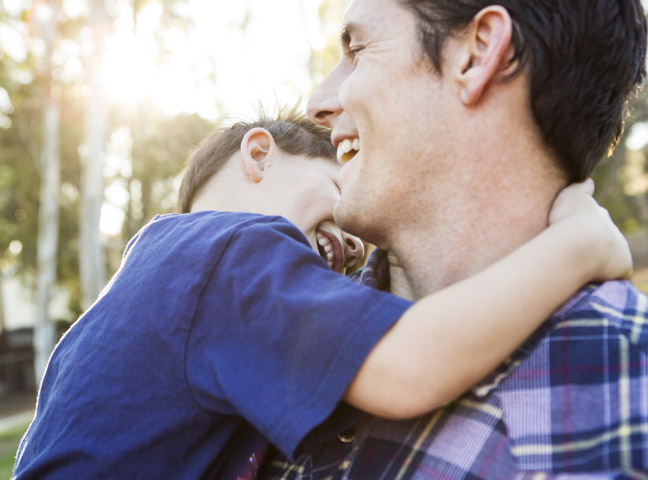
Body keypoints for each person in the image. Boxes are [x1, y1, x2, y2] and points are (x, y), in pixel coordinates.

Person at [12, 110, 629, 480]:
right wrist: (578, 245)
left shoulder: (153, 292)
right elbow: (408, 366)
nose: (357, 244)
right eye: (340, 182)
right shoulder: (227, 253)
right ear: (260, 156)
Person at [258, 0, 648, 479]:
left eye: (358, 50)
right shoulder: (260, 321)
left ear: (479, 52)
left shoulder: (630, 399)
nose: (318, 102)